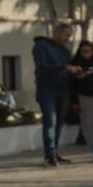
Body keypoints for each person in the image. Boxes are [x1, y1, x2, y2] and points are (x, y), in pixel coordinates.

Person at [31, 23, 75, 166]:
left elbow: (68, 70)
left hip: (63, 89)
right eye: (66, 35)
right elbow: (42, 67)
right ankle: (49, 155)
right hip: (47, 89)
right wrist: (65, 68)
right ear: (56, 32)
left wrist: (77, 73)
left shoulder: (65, 51)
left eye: (70, 36)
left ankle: (54, 152)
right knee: (50, 122)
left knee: (59, 122)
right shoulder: (41, 46)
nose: (68, 39)